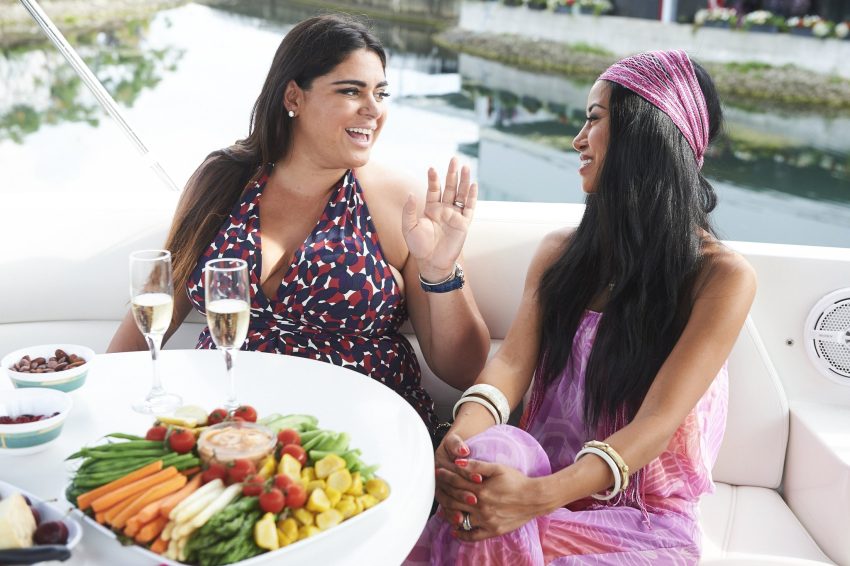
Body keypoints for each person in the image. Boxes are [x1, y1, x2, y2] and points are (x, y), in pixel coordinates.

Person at [406, 50, 757, 564]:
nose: (578, 139)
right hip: (529, 482)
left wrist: (535, 499)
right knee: (493, 456)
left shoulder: (720, 278)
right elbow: (510, 365)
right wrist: (458, 443)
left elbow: (657, 422)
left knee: (481, 521)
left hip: (639, 519)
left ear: (643, 133)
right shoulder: (559, 253)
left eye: (594, 118)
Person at [107, 14, 491, 443]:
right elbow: (156, 312)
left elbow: (462, 370)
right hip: (224, 430)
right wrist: (102, 403)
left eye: (380, 93)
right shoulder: (222, 180)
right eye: (351, 91)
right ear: (294, 96)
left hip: (353, 440)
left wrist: (441, 271)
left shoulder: (400, 202)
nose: (374, 109)